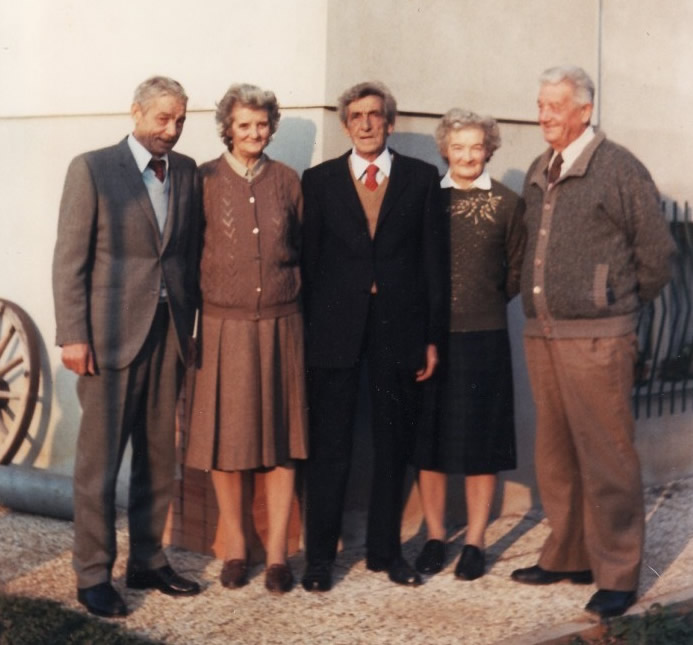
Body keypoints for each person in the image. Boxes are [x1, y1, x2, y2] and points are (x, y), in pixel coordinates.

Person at [510, 66, 675, 619]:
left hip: (600, 338)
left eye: (555, 105)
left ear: (585, 110)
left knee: (607, 458)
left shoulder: (618, 167)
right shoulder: (541, 168)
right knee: (555, 455)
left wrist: (615, 305)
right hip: (545, 334)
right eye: (539, 104)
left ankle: (618, 570)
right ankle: (569, 555)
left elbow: (656, 255)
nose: (544, 114)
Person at [52, 76, 202, 618]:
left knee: (159, 456)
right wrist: (73, 334)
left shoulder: (185, 171)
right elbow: (69, 258)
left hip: (169, 331)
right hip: (108, 337)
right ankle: (92, 574)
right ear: (135, 111)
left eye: (180, 120)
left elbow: (185, 253)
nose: (172, 129)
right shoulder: (91, 168)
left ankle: (148, 559)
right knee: (99, 464)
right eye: (163, 118)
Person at [300, 81, 448, 591]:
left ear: (390, 121)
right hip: (334, 333)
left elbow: (434, 265)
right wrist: (307, 337)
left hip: (398, 330)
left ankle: (387, 554)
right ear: (345, 124)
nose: (365, 123)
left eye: (375, 115)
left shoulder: (422, 178)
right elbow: (309, 265)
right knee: (330, 446)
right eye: (357, 116)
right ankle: (318, 559)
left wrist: (431, 339)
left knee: (393, 444)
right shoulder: (318, 181)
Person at [185, 84, 308, 595]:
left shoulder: (288, 181)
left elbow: (303, 248)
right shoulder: (204, 180)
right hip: (223, 327)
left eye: (262, 124)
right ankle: (236, 547)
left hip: (282, 325)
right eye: (243, 125)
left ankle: (277, 553)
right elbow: (188, 252)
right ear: (227, 129)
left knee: (282, 443)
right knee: (226, 442)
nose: (254, 133)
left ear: (271, 127)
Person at [413, 110, 525, 580]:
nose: (466, 155)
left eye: (476, 146)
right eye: (458, 147)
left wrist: (483, 302)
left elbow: (516, 269)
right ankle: (436, 536)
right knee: (431, 442)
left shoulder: (507, 203)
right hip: (431, 339)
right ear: (445, 150)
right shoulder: (424, 199)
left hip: (485, 337)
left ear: (489, 149)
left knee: (482, 441)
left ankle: (476, 540)